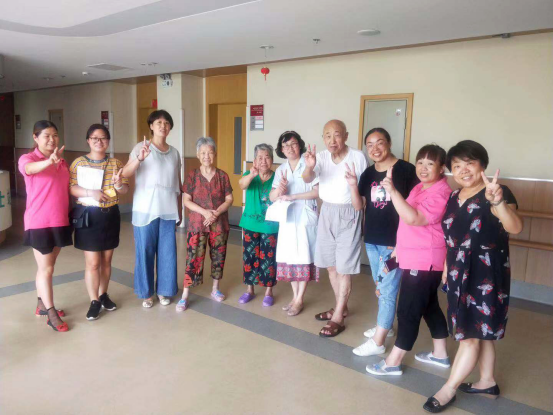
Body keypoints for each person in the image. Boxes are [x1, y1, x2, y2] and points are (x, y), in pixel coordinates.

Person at [423, 140, 522, 413]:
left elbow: (515, 226)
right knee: (481, 331)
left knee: (469, 335)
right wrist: (447, 267)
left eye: (469, 163)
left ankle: (448, 389)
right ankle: (487, 382)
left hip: (486, 272)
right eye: (456, 166)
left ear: (482, 165)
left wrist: (497, 202)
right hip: (458, 271)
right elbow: (451, 237)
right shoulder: (454, 196)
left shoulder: (498, 192)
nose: (463, 170)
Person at [365, 144, 451, 376]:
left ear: (442, 168)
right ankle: (440, 354)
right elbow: (405, 221)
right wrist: (398, 249)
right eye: (420, 162)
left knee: (408, 311)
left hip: (424, 261)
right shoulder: (421, 187)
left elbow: (414, 218)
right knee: (429, 306)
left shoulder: (441, 193)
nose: (423, 168)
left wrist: (393, 192)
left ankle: (393, 362)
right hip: (412, 255)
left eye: (430, 164)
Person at [353, 127, 418, 355]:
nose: (375, 148)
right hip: (372, 239)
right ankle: (386, 326)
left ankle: (378, 343)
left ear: (389, 143)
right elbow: (360, 205)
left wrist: (403, 242)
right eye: (369, 145)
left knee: (388, 289)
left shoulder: (407, 170)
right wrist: (351, 185)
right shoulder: (368, 174)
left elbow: (414, 207)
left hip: (395, 242)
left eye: (379, 142)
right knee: (381, 286)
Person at [303, 119, 367, 337]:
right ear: (323, 138)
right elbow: (308, 178)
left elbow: (363, 191)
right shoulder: (320, 157)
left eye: (337, 135)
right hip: (327, 212)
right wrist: (309, 166)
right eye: (328, 135)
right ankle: (342, 306)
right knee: (330, 266)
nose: (332, 140)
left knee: (343, 268)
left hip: (349, 213)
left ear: (346, 136)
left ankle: (338, 316)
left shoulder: (357, 156)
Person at [69, 124, 129, 320]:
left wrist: (119, 185)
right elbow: (72, 188)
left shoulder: (116, 163)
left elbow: (124, 189)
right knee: (93, 263)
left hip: (110, 214)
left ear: (108, 141)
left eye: (103, 138)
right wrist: (90, 193)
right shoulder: (79, 163)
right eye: (95, 138)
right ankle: (94, 300)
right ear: (88, 140)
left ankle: (103, 295)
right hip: (89, 215)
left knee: (107, 261)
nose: (99, 141)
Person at [122, 110, 181, 308]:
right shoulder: (141, 147)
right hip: (145, 209)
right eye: (159, 122)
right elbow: (125, 173)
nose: (163, 126)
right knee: (145, 251)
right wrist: (139, 158)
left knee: (167, 253)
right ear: (151, 126)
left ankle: (165, 290)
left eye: (166, 123)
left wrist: (180, 211)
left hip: (168, 209)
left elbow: (177, 184)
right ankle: (146, 293)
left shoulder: (174, 153)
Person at [18, 120, 72, 332]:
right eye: (46, 136)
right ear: (35, 137)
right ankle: (51, 314)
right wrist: (49, 161)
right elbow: (29, 169)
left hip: (60, 220)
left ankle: (41, 305)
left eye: (55, 135)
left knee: (48, 266)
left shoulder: (62, 161)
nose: (52, 139)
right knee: (46, 269)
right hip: (39, 222)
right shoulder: (28, 158)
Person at [176, 137, 233, 312]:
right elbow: (186, 200)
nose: (206, 156)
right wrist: (205, 212)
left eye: (209, 152)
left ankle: (215, 289)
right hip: (197, 224)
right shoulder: (192, 176)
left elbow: (229, 199)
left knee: (218, 256)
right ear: (197, 155)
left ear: (215, 154)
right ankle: (185, 295)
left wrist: (216, 212)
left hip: (219, 223)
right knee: (193, 258)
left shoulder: (222, 176)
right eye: (203, 153)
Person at [269, 131, 319, 316]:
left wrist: (293, 196)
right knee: (290, 257)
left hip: (305, 215)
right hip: (288, 218)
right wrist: (280, 190)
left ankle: (299, 299)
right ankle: (294, 296)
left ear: (300, 145)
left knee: (303, 256)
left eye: (293, 144)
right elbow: (272, 196)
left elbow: (316, 192)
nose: (289, 148)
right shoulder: (281, 169)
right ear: (281, 150)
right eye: (285, 146)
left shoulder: (309, 164)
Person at [238, 144, 279, 306]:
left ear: (272, 160)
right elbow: (242, 185)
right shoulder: (249, 174)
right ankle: (250, 289)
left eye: (267, 157)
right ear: (255, 160)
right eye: (260, 158)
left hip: (270, 225)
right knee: (249, 257)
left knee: (269, 257)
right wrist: (251, 175)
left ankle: (269, 291)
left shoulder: (277, 177)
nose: (263, 161)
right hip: (250, 223)